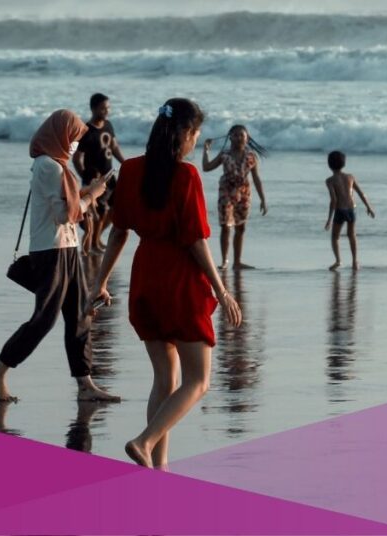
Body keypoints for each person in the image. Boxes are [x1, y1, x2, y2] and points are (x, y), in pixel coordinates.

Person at [93, 98, 242, 468]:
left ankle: (157, 469)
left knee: (164, 378)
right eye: (195, 135)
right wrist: (221, 289)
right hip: (179, 282)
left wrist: (100, 282)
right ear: (184, 134)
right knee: (199, 380)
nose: (195, 142)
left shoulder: (130, 169)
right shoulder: (186, 175)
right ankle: (144, 442)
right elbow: (195, 240)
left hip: (146, 279)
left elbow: (116, 234)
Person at [0, 110, 120, 403]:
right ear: (60, 135)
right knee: (44, 319)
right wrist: (92, 196)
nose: (75, 145)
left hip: (67, 248)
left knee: (80, 315)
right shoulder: (48, 166)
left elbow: (64, 205)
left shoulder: (58, 166)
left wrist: (87, 193)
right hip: (51, 251)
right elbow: (63, 214)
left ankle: (85, 384)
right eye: (73, 138)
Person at [202, 124, 268, 270]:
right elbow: (206, 167)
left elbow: (256, 178)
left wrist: (263, 199)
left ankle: (237, 262)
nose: (238, 138)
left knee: (240, 227)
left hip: (244, 194)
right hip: (226, 192)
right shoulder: (224, 154)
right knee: (225, 226)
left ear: (247, 138)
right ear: (230, 138)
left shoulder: (251, 156)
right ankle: (225, 261)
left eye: (241, 135)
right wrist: (206, 151)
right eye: (235, 135)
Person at [74, 93, 126, 256]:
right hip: (95, 179)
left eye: (108, 108)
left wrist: (125, 163)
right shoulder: (86, 131)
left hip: (110, 176)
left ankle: (96, 238)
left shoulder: (108, 125)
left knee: (118, 208)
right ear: (93, 108)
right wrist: (85, 177)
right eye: (103, 108)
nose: (106, 111)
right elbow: (77, 157)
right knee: (100, 211)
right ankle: (93, 243)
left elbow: (115, 147)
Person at [323, 151, 375, 270]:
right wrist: (369, 207)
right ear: (344, 164)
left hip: (340, 210)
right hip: (352, 209)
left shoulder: (330, 181)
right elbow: (361, 193)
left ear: (329, 165)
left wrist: (329, 219)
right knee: (352, 235)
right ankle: (355, 262)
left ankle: (338, 260)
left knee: (335, 237)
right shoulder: (350, 177)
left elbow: (334, 200)